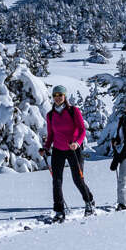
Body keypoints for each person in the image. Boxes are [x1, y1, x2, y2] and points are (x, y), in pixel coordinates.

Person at [45, 85, 96, 222]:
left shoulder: (73, 111)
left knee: (77, 179)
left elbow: (81, 130)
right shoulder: (50, 115)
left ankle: (89, 202)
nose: (57, 98)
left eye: (60, 95)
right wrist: (45, 148)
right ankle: (59, 211)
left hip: (73, 149)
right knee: (56, 181)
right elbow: (50, 135)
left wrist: (77, 143)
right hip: (58, 150)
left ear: (64, 96)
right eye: (55, 95)